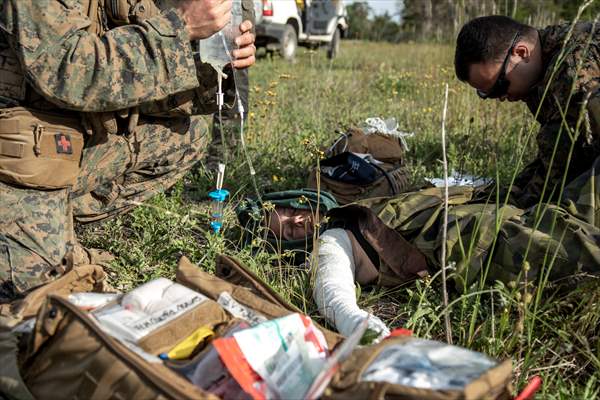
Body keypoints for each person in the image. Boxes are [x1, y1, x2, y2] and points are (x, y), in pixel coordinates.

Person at [312, 15, 600, 339]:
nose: (502, 98)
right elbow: (556, 163)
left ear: (521, 52)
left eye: (499, 87)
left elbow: (566, 165)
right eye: (487, 94)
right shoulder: (546, 68)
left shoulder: (575, 73)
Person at [0, 0, 257, 303]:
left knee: (189, 134)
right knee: (41, 304)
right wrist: (180, 26)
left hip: (55, 140)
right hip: (18, 150)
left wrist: (214, 61)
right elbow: (70, 73)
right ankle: (29, 224)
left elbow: (127, 83)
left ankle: (54, 218)